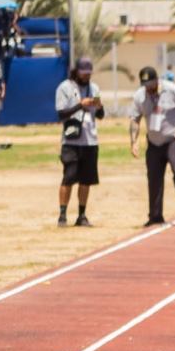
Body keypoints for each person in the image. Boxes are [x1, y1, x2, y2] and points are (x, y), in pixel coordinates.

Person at [129, 65, 175, 227]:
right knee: (154, 178)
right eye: (145, 84)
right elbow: (135, 119)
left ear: (157, 80)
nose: (148, 88)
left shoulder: (172, 90)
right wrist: (133, 141)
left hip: (173, 139)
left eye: (150, 84)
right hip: (153, 142)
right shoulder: (140, 96)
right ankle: (155, 216)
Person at [54, 57, 104, 227]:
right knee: (68, 178)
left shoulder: (94, 88)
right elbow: (61, 114)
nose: (87, 77)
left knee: (86, 180)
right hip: (71, 141)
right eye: (84, 73)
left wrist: (98, 107)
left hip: (90, 140)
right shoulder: (65, 88)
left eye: (89, 74)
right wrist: (80, 105)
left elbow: (100, 115)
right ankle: (62, 215)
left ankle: (82, 215)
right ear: (77, 71)